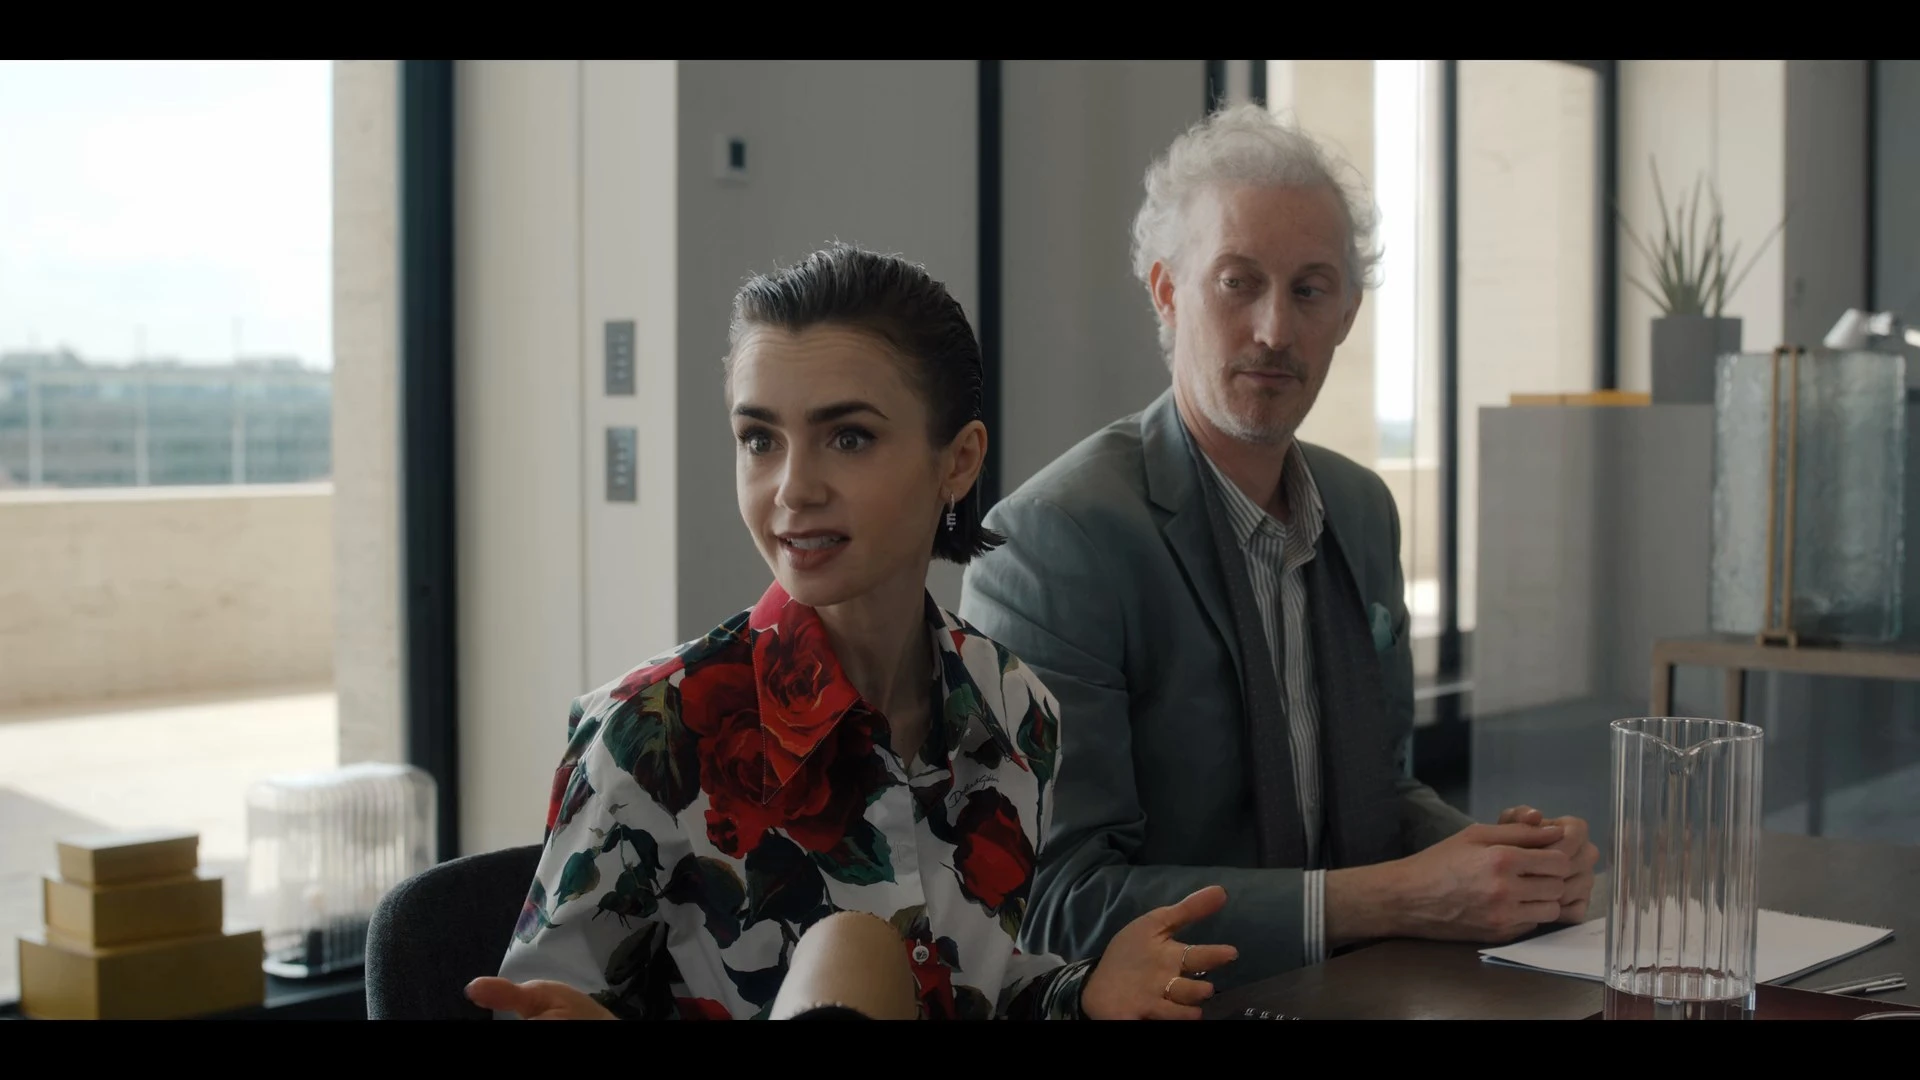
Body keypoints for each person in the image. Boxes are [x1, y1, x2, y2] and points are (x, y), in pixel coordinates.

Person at [467, 245, 1237, 1021]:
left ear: (959, 461)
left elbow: (969, 992)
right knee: (852, 951)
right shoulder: (645, 732)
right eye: (760, 440)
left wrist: (1080, 992)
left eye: (848, 438)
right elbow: (534, 1008)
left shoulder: (1015, 710)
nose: (793, 488)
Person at [958, 104, 1600, 987]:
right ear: (1167, 291)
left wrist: (1505, 863)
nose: (1274, 330)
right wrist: (1394, 899)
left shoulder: (1361, 508)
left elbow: (1375, 793)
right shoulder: (1048, 542)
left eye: (1309, 290)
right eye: (1238, 282)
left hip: (1356, 990)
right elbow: (1056, 902)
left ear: (1347, 313)